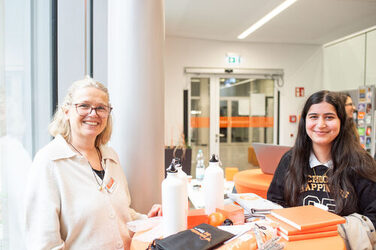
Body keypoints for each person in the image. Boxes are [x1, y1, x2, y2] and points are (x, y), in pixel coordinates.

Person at [24, 77, 162, 250]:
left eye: (101, 108)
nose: (93, 113)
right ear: (66, 111)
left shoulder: (110, 157)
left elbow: (120, 214)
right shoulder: (49, 162)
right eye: (84, 106)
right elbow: (43, 243)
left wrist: (148, 220)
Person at [267, 90, 376, 248]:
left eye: (329, 117)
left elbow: (373, 216)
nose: (321, 124)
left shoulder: (361, 163)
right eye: (314, 117)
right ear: (304, 121)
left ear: (342, 121)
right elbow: (274, 205)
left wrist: (339, 230)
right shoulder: (290, 160)